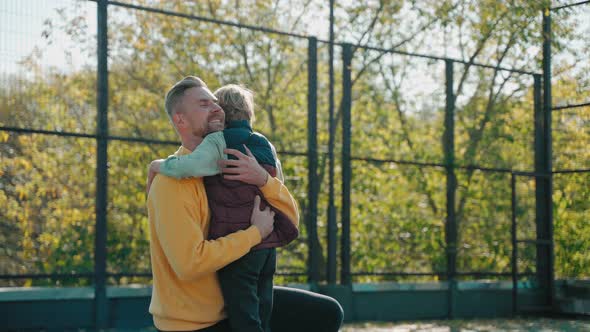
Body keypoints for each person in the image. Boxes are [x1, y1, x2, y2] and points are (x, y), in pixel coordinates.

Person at [147, 76, 343, 332]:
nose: (217, 108)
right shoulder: (171, 183)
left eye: (216, 103)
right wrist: (254, 234)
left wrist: (263, 179)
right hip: (197, 323)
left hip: (229, 303)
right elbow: (189, 265)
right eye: (204, 104)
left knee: (326, 313)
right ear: (180, 120)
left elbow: (290, 218)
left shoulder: (232, 165)